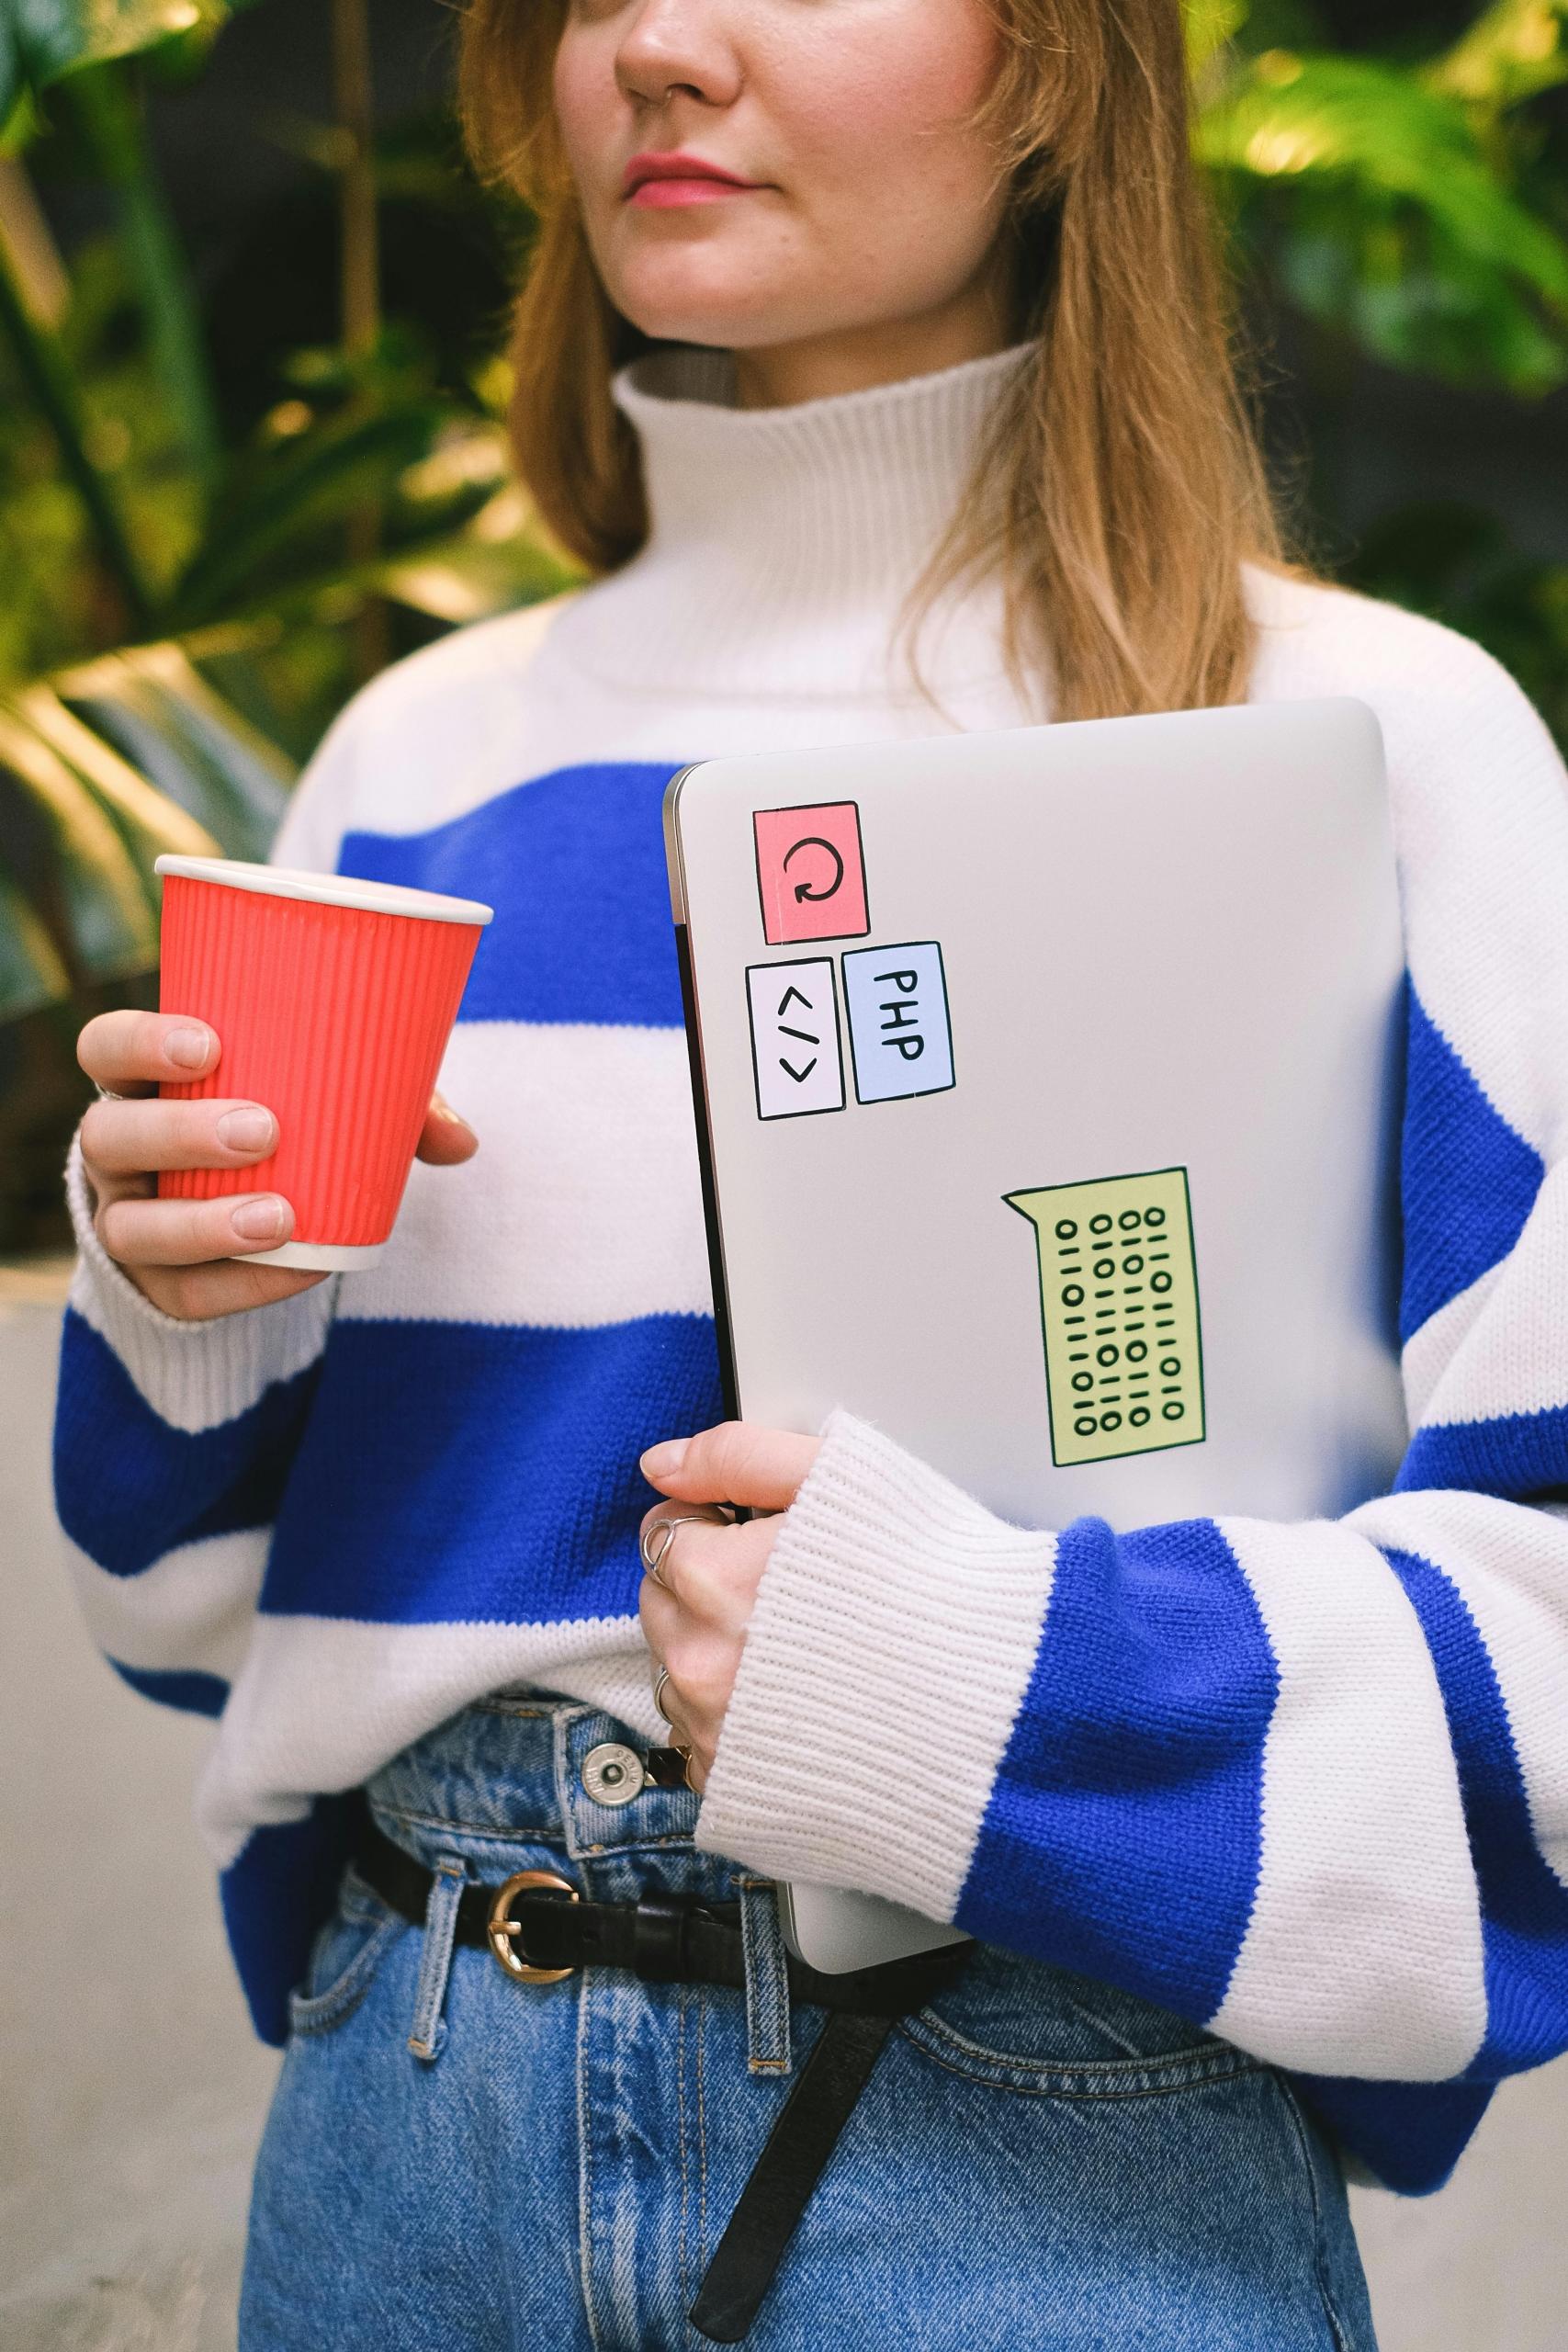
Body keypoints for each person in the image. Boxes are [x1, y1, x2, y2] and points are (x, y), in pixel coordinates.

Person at [54, 0, 1568, 2342]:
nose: (654, 46)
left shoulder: (1366, 747)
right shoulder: (413, 764)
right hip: (407, 2108)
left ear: (1056, 62)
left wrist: (965, 1689)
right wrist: (180, 1295)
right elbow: (178, 1604)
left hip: (1046, 2123)